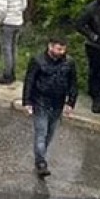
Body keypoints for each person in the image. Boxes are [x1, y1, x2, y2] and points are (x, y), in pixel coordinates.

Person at [23, 37, 78, 177]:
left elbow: (73, 83)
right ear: (50, 47)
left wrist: (71, 102)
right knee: (41, 132)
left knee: (50, 133)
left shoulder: (69, 63)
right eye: (59, 49)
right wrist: (27, 101)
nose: (61, 52)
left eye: (63, 49)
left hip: (58, 102)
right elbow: (29, 80)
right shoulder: (38, 60)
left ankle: (40, 156)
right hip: (41, 101)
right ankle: (41, 162)